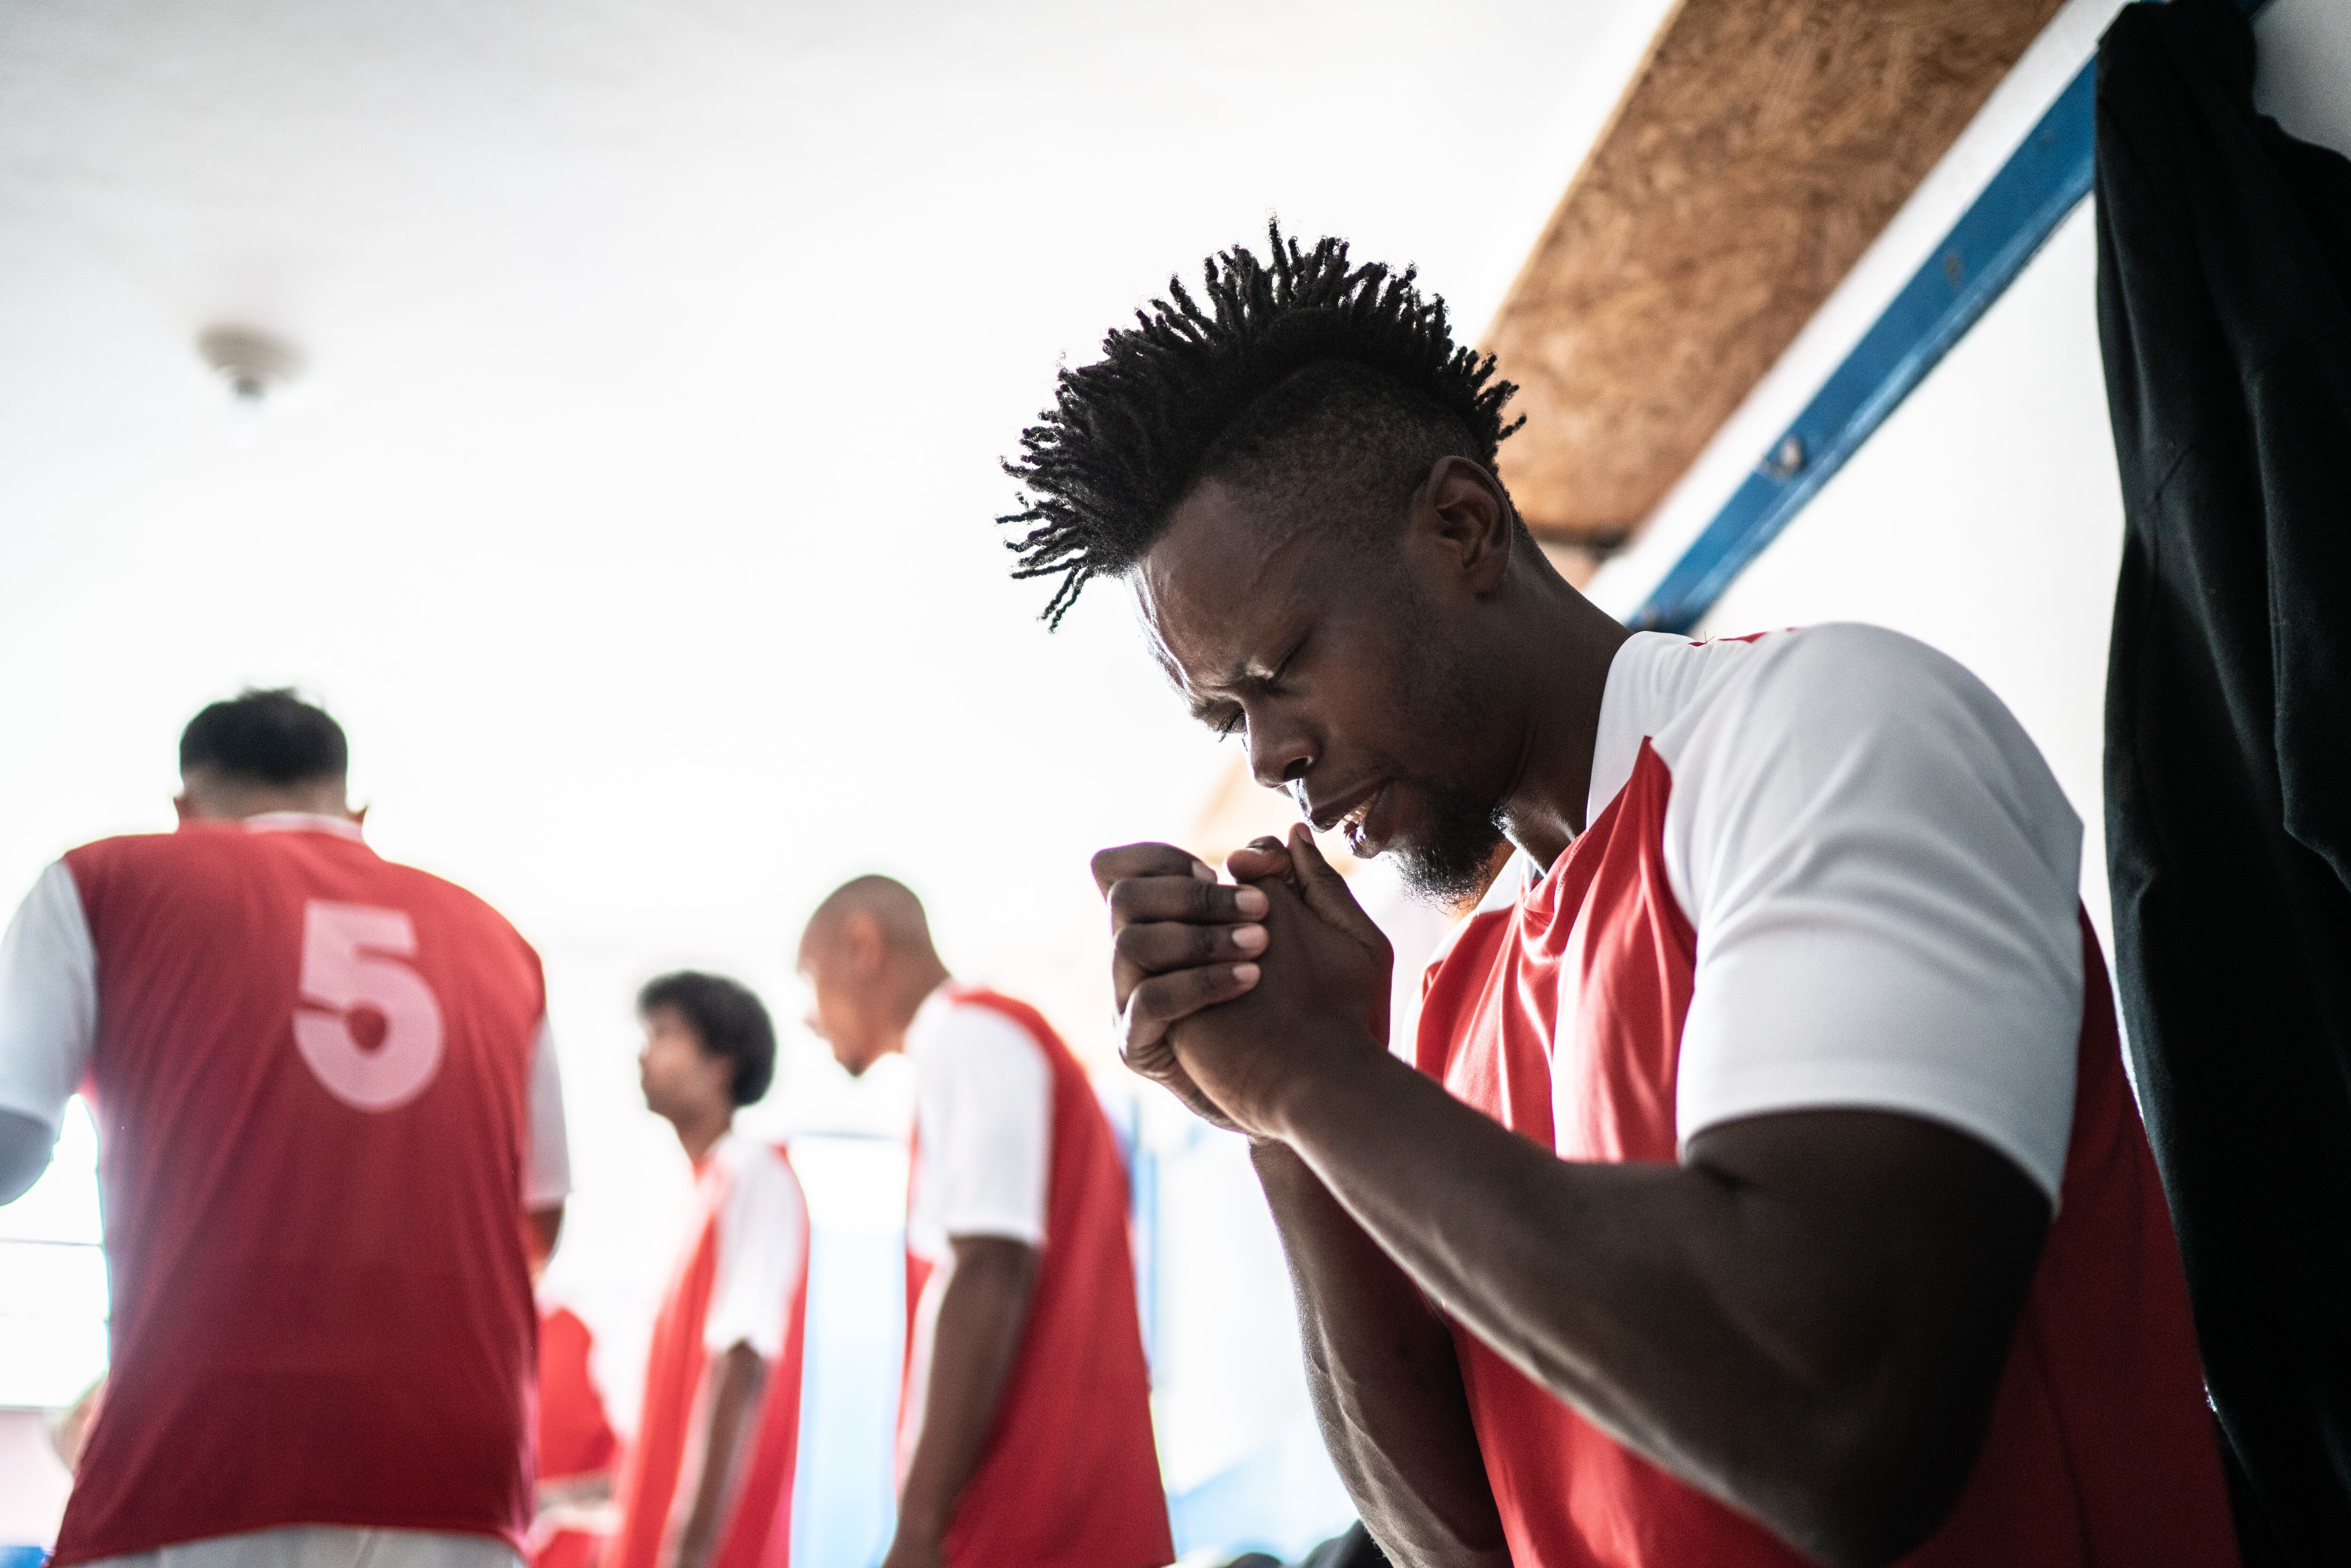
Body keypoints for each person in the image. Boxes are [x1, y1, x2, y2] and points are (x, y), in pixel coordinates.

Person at [1005, 229, 2241, 1568]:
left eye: (1286, 661)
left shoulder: (1820, 728)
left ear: (1462, 526)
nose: (1269, 755)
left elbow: (1840, 1420)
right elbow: (1465, 1545)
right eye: (1226, 714)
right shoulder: (1463, 1005)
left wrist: (1316, 1084)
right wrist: (1282, 1124)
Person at [0, 688, 570, 1568]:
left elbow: (13, 1144)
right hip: (464, 1469)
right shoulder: (503, 943)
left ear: (185, 812)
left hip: (210, 1450)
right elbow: (538, 1231)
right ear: (356, 812)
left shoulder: (104, 881)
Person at [797, 875, 1171, 1568]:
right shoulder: (979, 1036)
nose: (809, 1017)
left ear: (863, 944)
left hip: (1036, 1512)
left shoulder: (967, 1030)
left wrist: (917, 1528)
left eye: (810, 978)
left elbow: (990, 1266)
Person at [607, 972, 809, 1568]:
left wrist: (688, 1553)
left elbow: (741, 1365)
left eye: (663, 1033)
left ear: (721, 1061)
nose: (644, 1052)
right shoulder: (698, 1192)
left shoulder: (753, 1174)